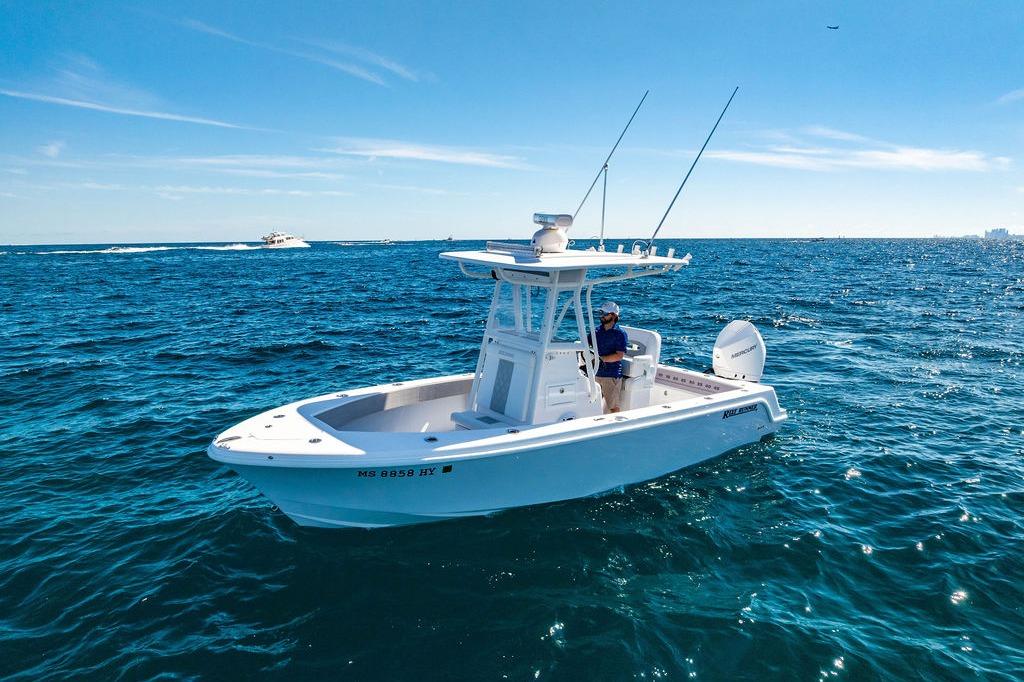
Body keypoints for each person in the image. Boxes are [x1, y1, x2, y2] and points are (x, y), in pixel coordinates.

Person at [589, 301, 628, 413]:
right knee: (592, 404)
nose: (602, 316)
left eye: (605, 313)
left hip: (611, 376)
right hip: (595, 373)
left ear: (614, 315)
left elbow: (619, 355)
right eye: (601, 312)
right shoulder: (596, 331)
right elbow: (586, 345)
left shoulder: (620, 333)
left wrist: (602, 359)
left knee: (613, 407)